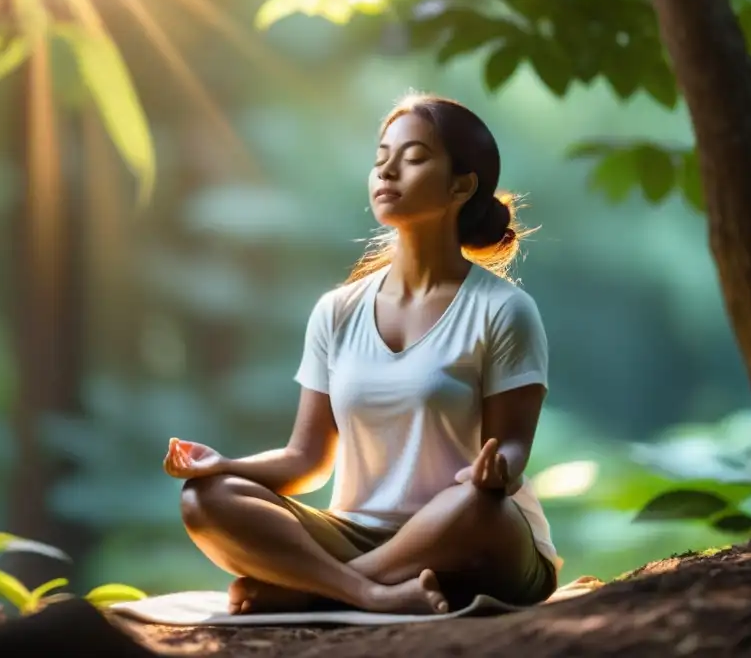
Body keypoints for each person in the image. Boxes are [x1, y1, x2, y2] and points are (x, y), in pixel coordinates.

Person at [163, 93, 558, 616]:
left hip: (474, 537)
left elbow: (511, 444)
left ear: (462, 185)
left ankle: (310, 589)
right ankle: (371, 592)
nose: (387, 171)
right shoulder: (336, 311)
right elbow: (306, 459)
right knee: (206, 499)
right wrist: (224, 465)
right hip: (355, 534)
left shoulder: (505, 309)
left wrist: (498, 471)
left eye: (413, 158)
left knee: (475, 508)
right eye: (381, 159)